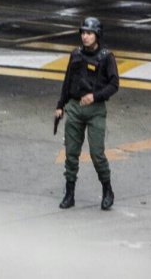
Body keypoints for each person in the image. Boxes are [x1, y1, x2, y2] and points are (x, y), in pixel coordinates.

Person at [55, 17, 119, 210]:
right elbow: (67, 81)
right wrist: (60, 105)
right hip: (74, 107)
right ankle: (69, 193)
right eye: (83, 33)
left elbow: (114, 85)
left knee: (97, 153)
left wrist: (95, 96)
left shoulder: (107, 57)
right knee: (71, 153)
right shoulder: (75, 55)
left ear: (97, 35)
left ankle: (107, 190)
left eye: (89, 33)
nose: (85, 37)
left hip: (95, 111)